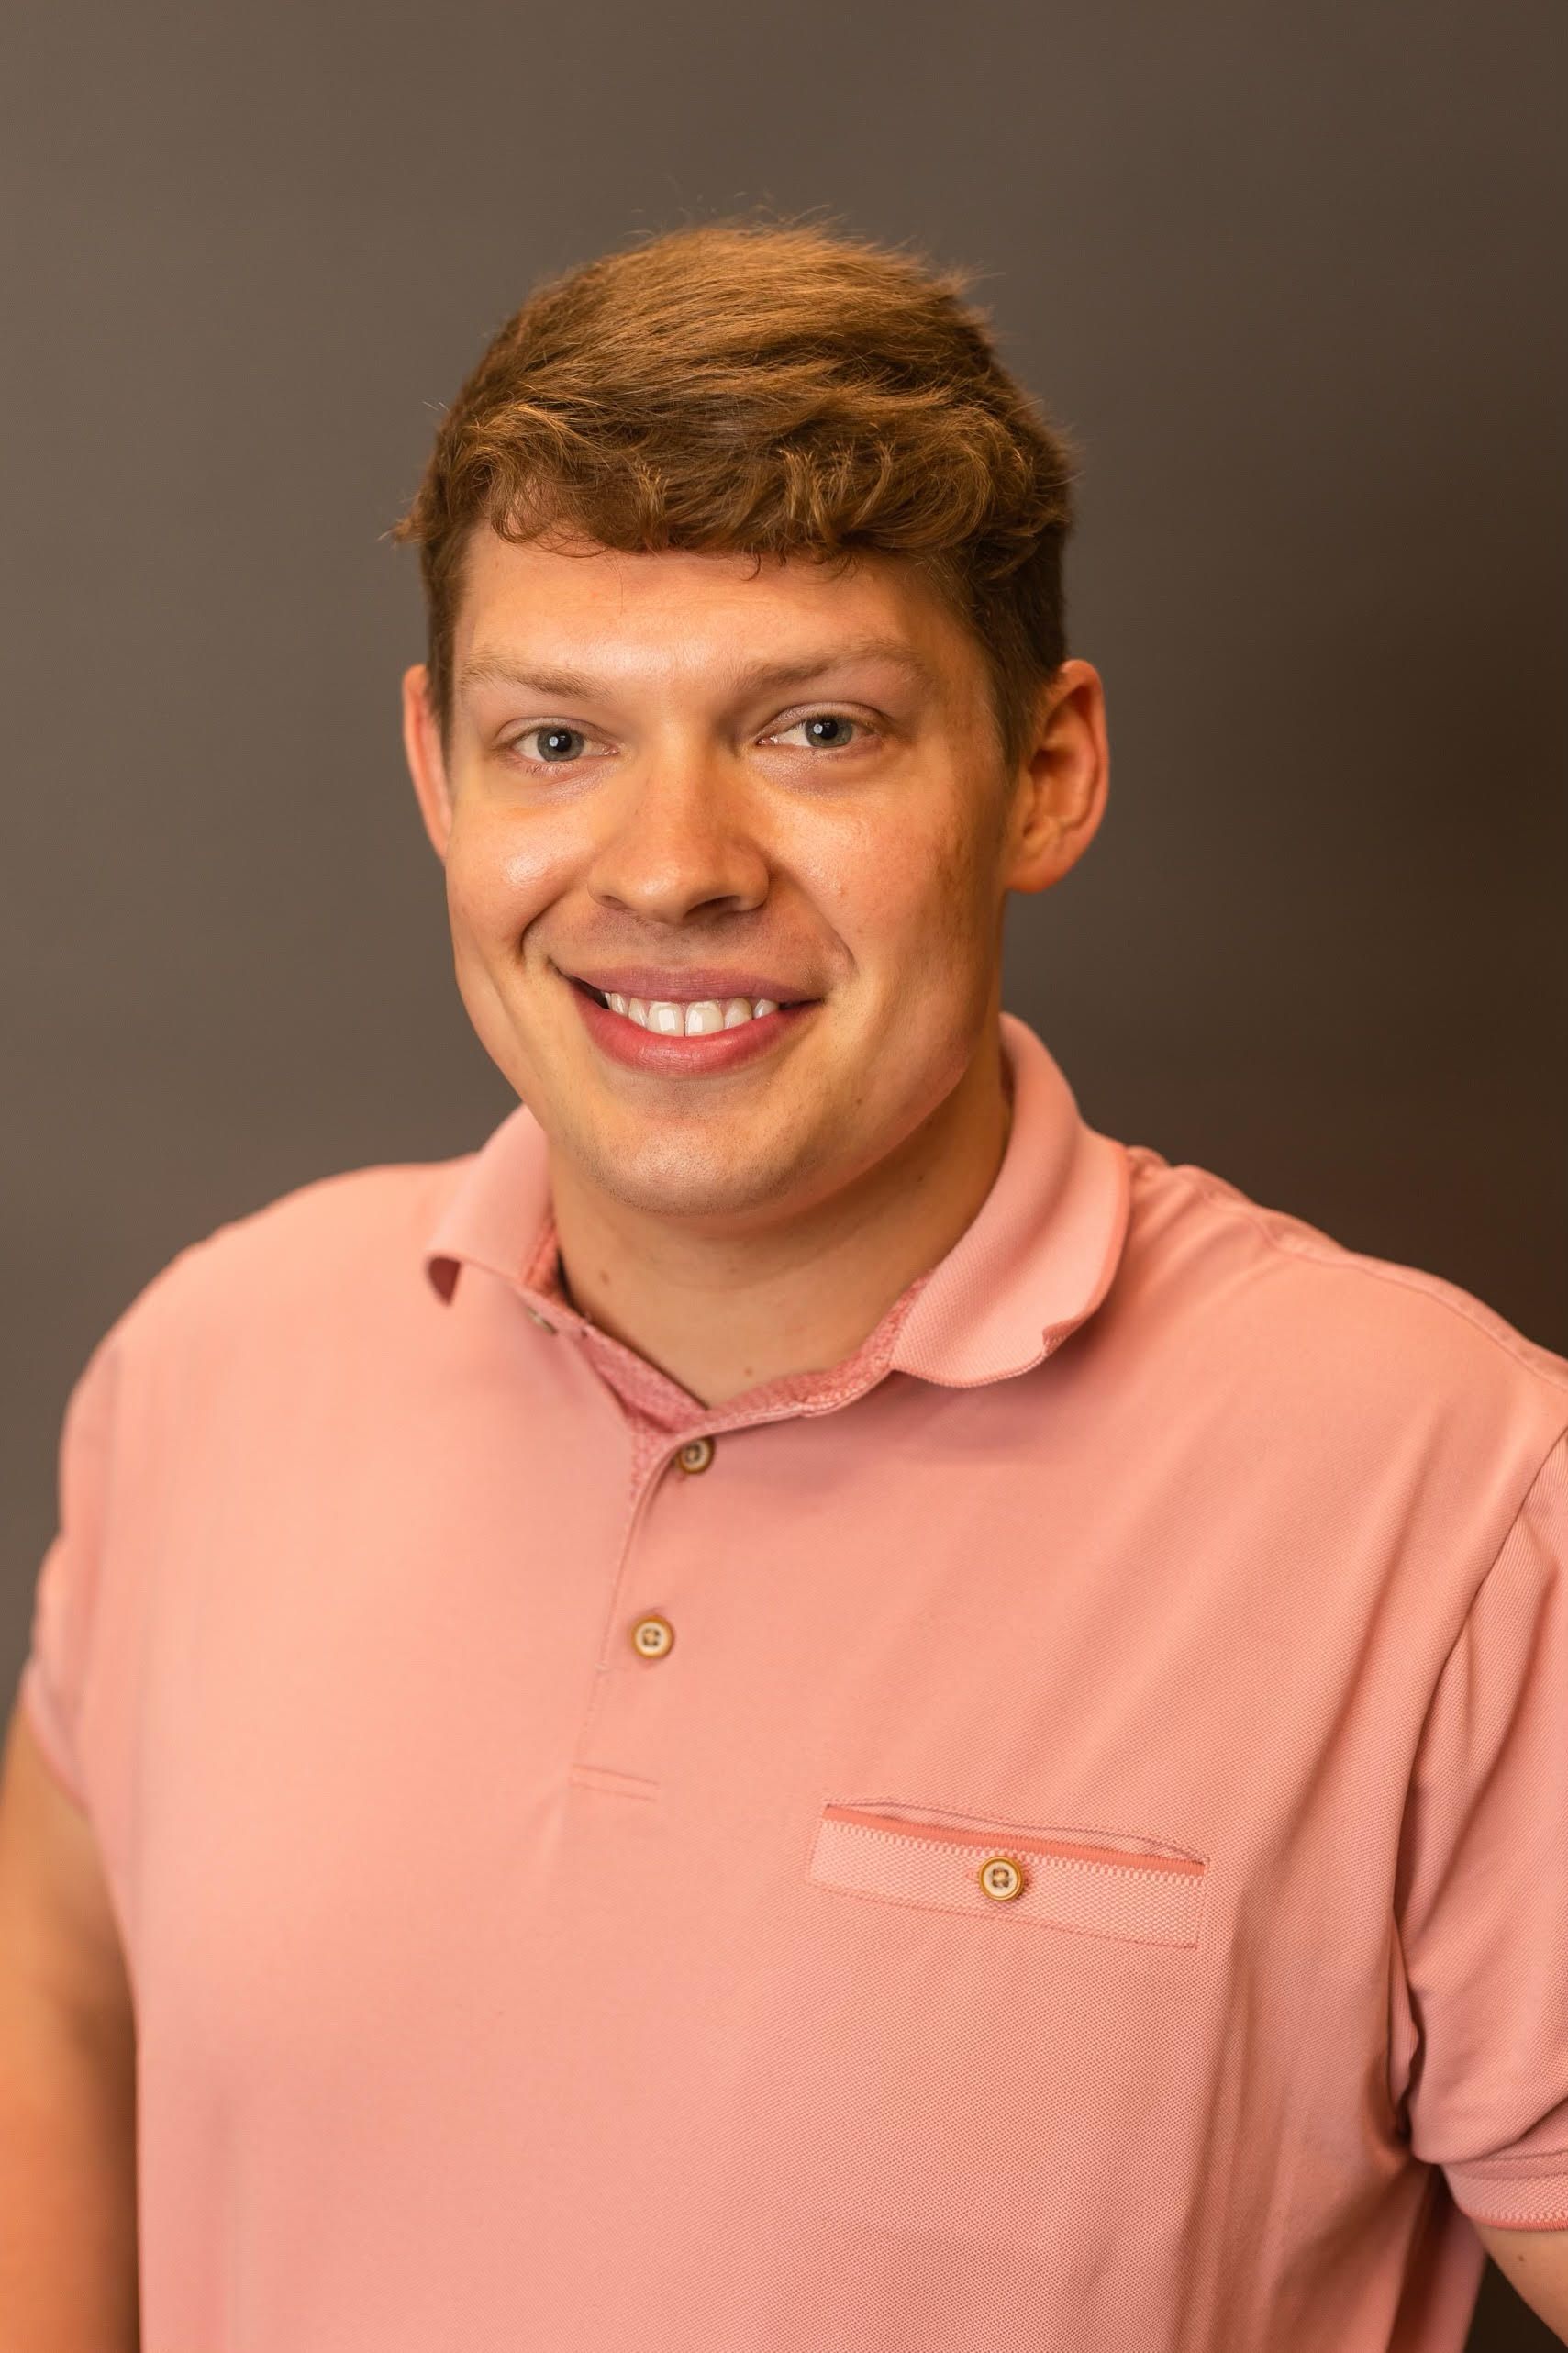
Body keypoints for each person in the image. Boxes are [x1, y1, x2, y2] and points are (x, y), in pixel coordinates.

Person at [2, 216, 1565, 2353]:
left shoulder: (1457, 1504)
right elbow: (58, 1978)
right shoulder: (212, 1364)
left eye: (817, 728)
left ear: (1043, 773)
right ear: (437, 770)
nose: (672, 866)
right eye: (558, 739)